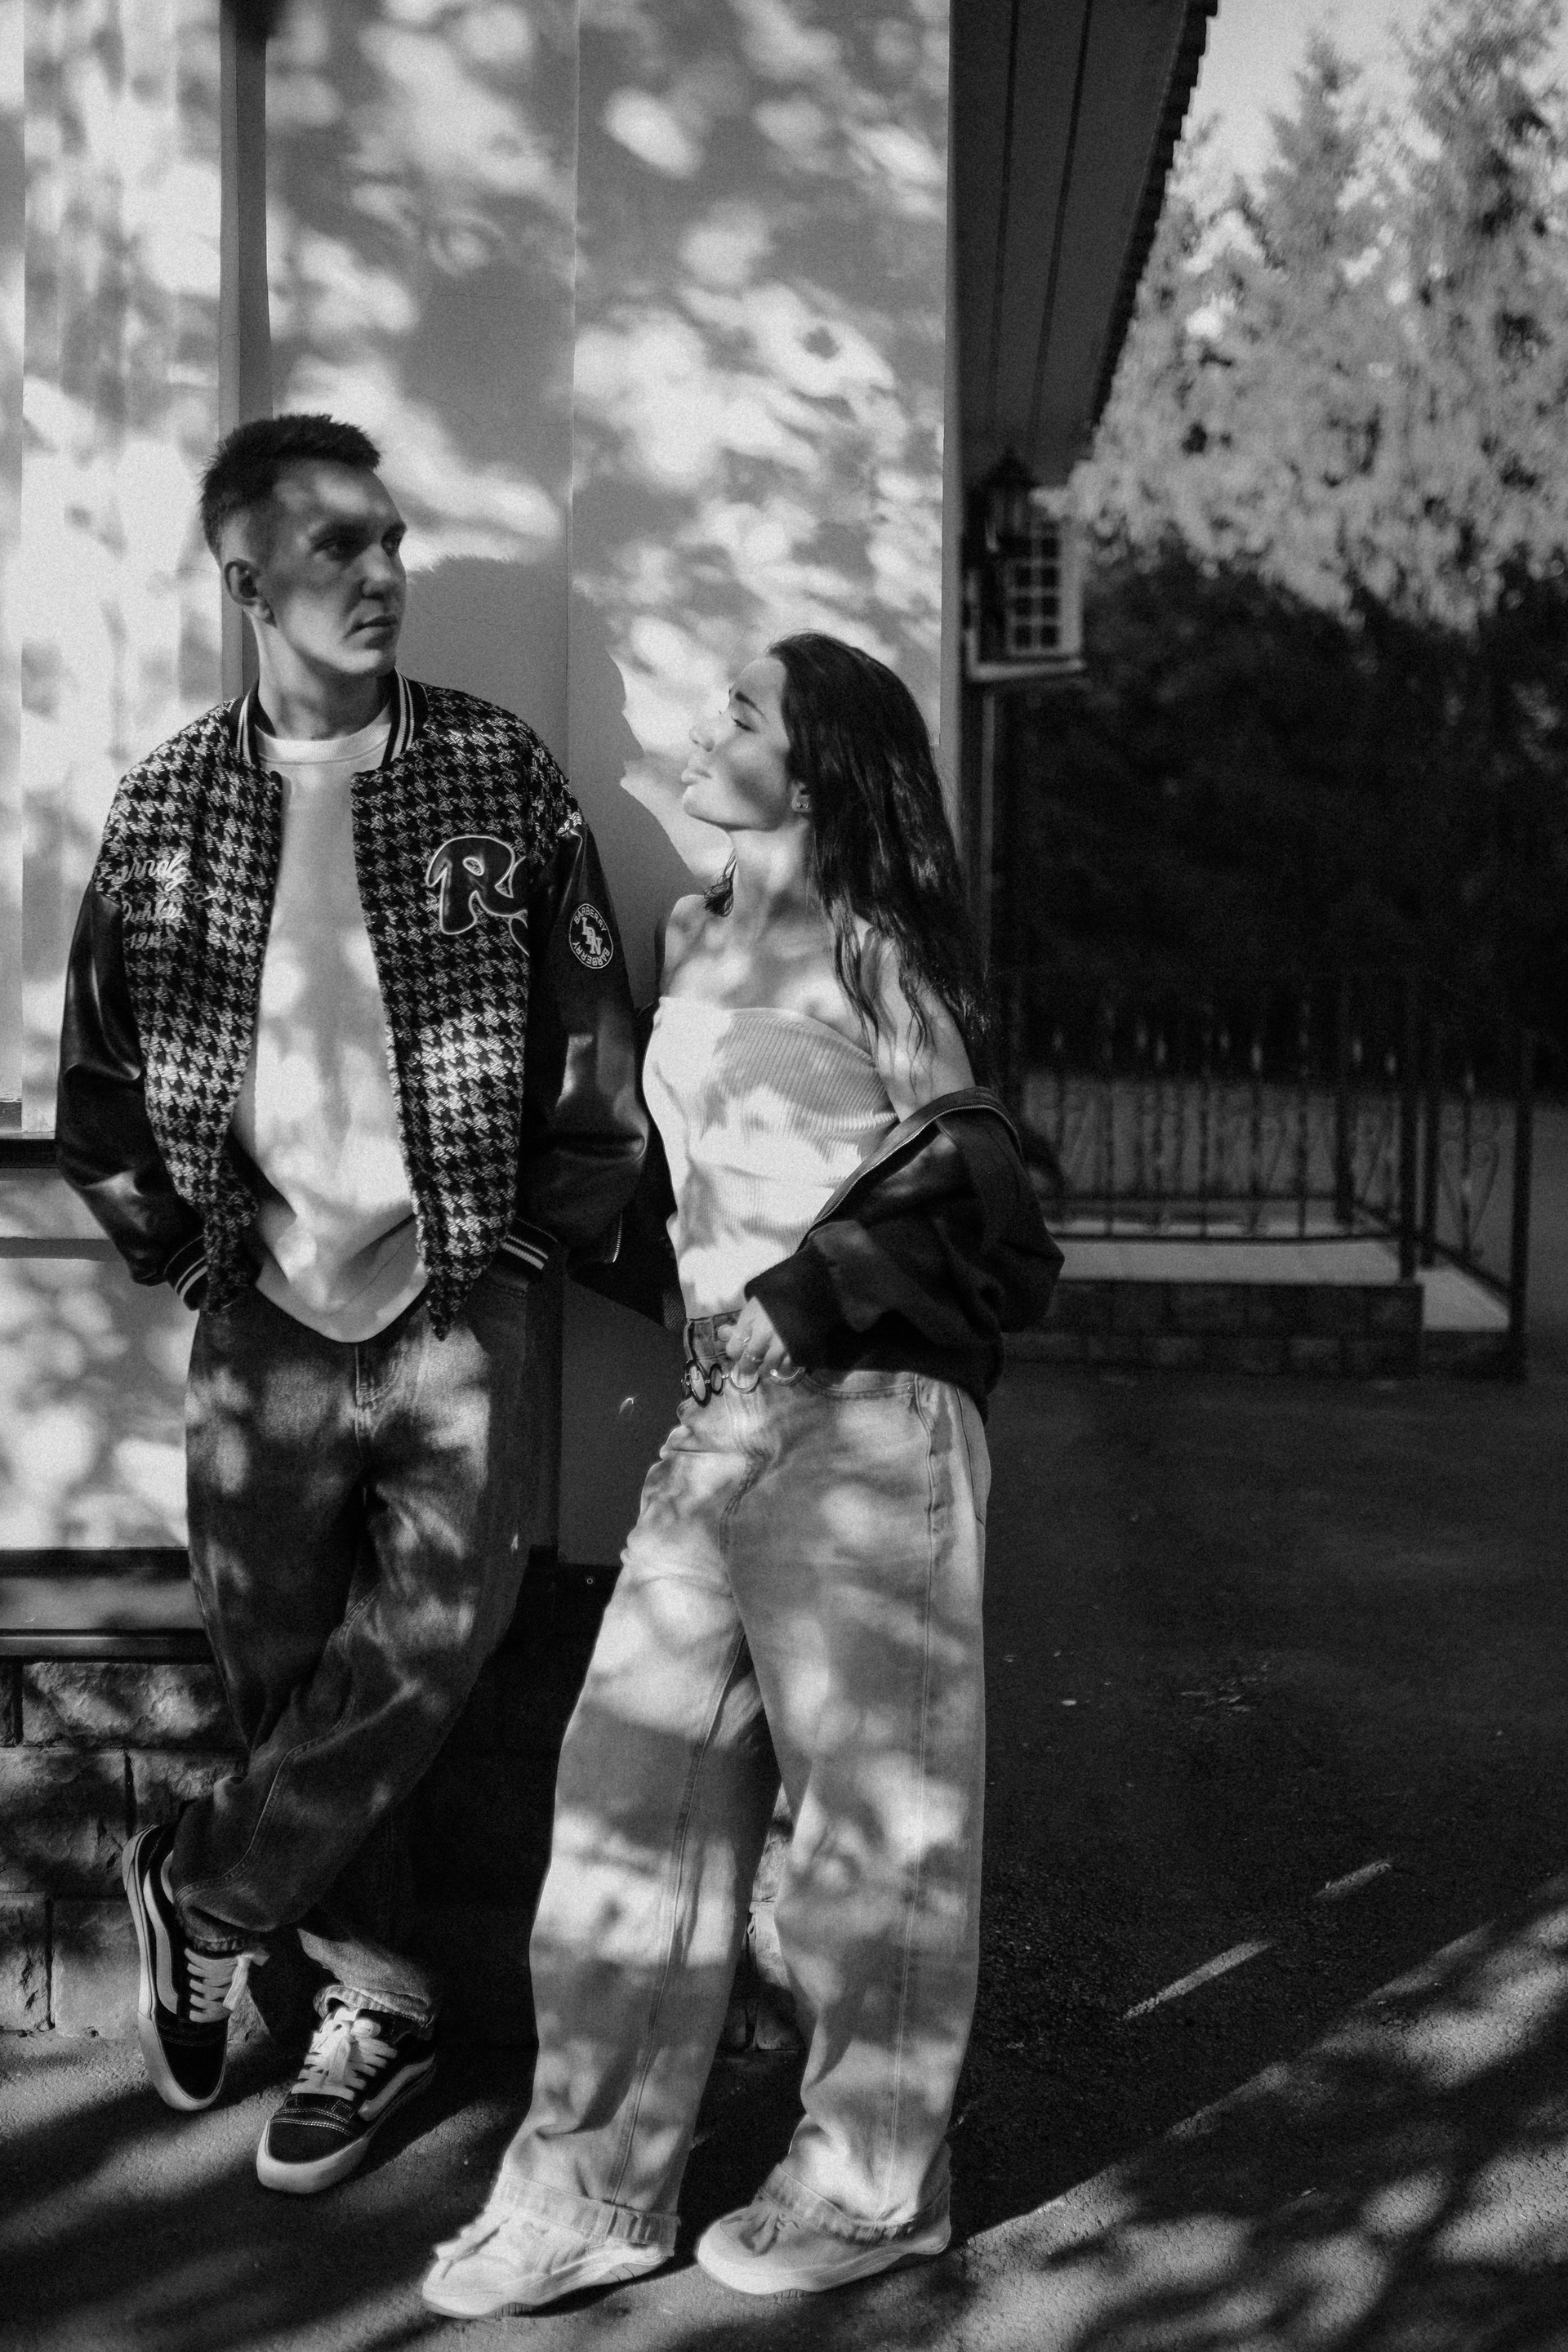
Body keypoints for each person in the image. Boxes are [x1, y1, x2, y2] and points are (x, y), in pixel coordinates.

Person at [422, 632, 1061, 2314]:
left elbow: (978, 1175)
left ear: (822, 760)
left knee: (874, 1830)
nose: (710, 728)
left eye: (745, 711)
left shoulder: (878, 955)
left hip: (870, 1422)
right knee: (624, 1799)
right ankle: (588, 2193)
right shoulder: (696, 933)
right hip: (715, 1424)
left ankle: (871, 2188)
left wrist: (802, 1297)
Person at [54, 413, 645, 2194]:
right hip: (259, 1316)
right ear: (248, 582)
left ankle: (202, 1889)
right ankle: (374, 2006)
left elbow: (591, 1044)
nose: (386, 573)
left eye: (393, 540)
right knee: (285, 1670)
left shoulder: (496, 773)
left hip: (464, 1289)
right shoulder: (169, 801)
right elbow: (98, 1070)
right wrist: (185, 1256)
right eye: (341, 548)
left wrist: (534, 1246)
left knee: (440, 1638)